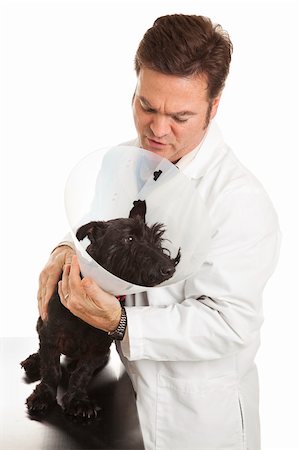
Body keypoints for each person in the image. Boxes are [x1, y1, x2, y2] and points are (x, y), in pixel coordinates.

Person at [37, 14, 280, 450]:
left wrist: (121, 322)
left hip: (196, 421)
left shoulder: (240, 201)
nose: (157, 129)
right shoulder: (127, 160)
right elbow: (97, 232)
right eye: (146, 106)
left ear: (215, 105)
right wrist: (62, 250)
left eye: (180, 116)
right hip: (123, 395)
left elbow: (228, 323)